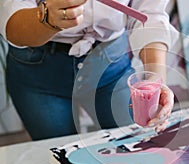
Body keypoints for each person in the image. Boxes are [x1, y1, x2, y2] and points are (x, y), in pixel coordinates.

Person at [0, 0, 176, 140]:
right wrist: (47, 18)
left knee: (137, 144)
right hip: (39, 70)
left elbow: (149, 14)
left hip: (111, 64)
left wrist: (156, 79)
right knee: (60, 159)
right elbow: (10, 17)